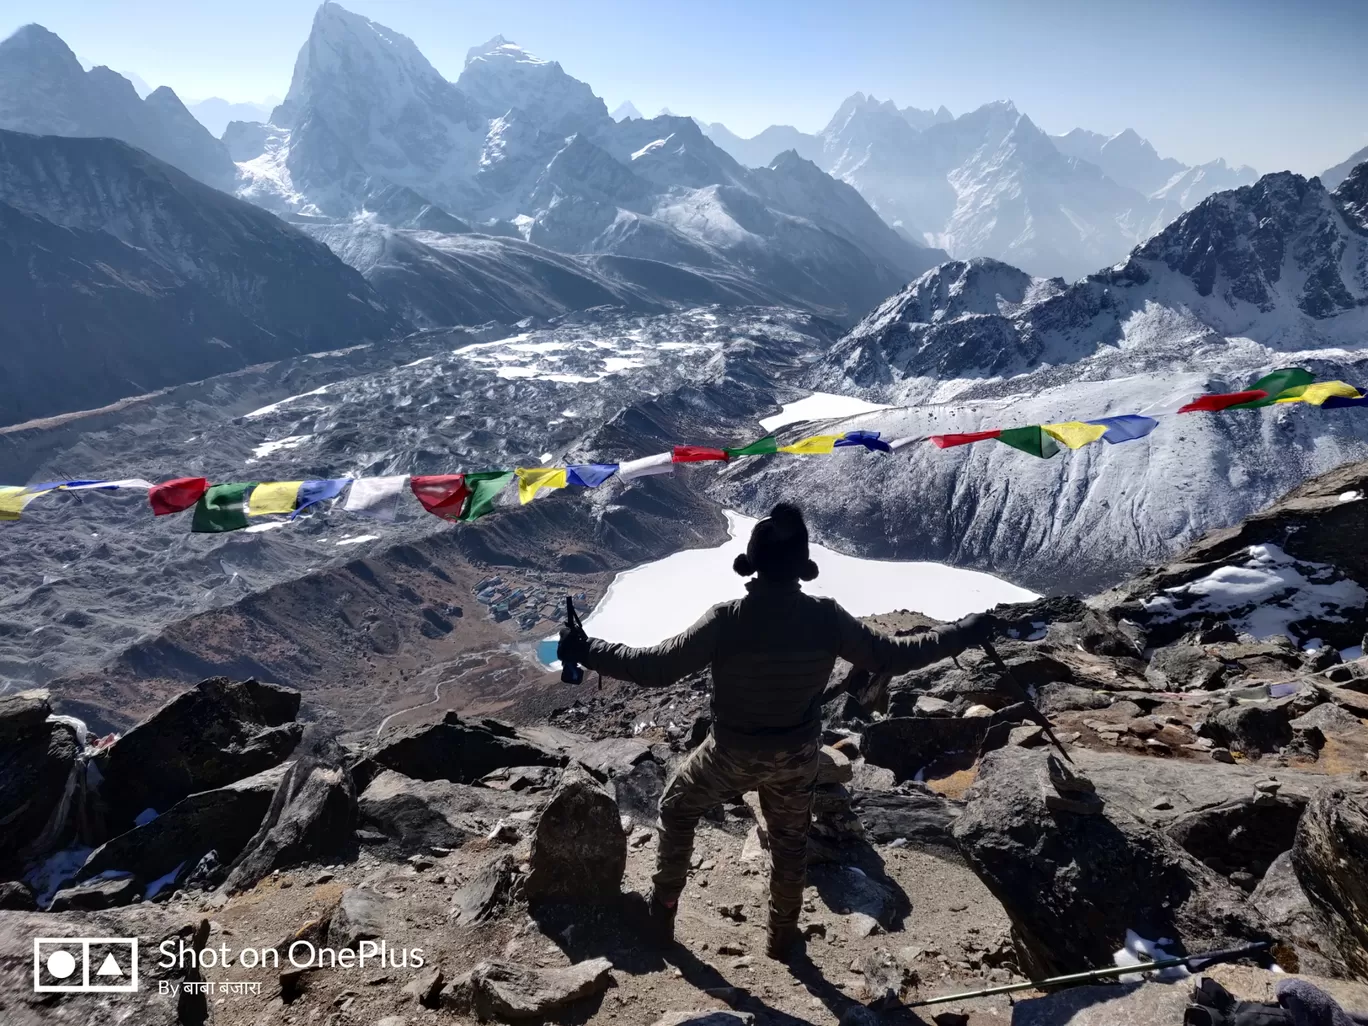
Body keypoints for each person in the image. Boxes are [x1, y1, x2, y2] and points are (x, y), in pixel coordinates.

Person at [557, 502, 1001, 960]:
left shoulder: (726, 619)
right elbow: (892, 655)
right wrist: (963, 631)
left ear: (751, 565)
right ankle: (783, 934)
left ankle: (663, 910)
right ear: (802, 568)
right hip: (797, 754)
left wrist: (589, 649)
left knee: (678, 806)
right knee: (790, 841)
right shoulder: (827, 617)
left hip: (730, 753)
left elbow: (655, 668)